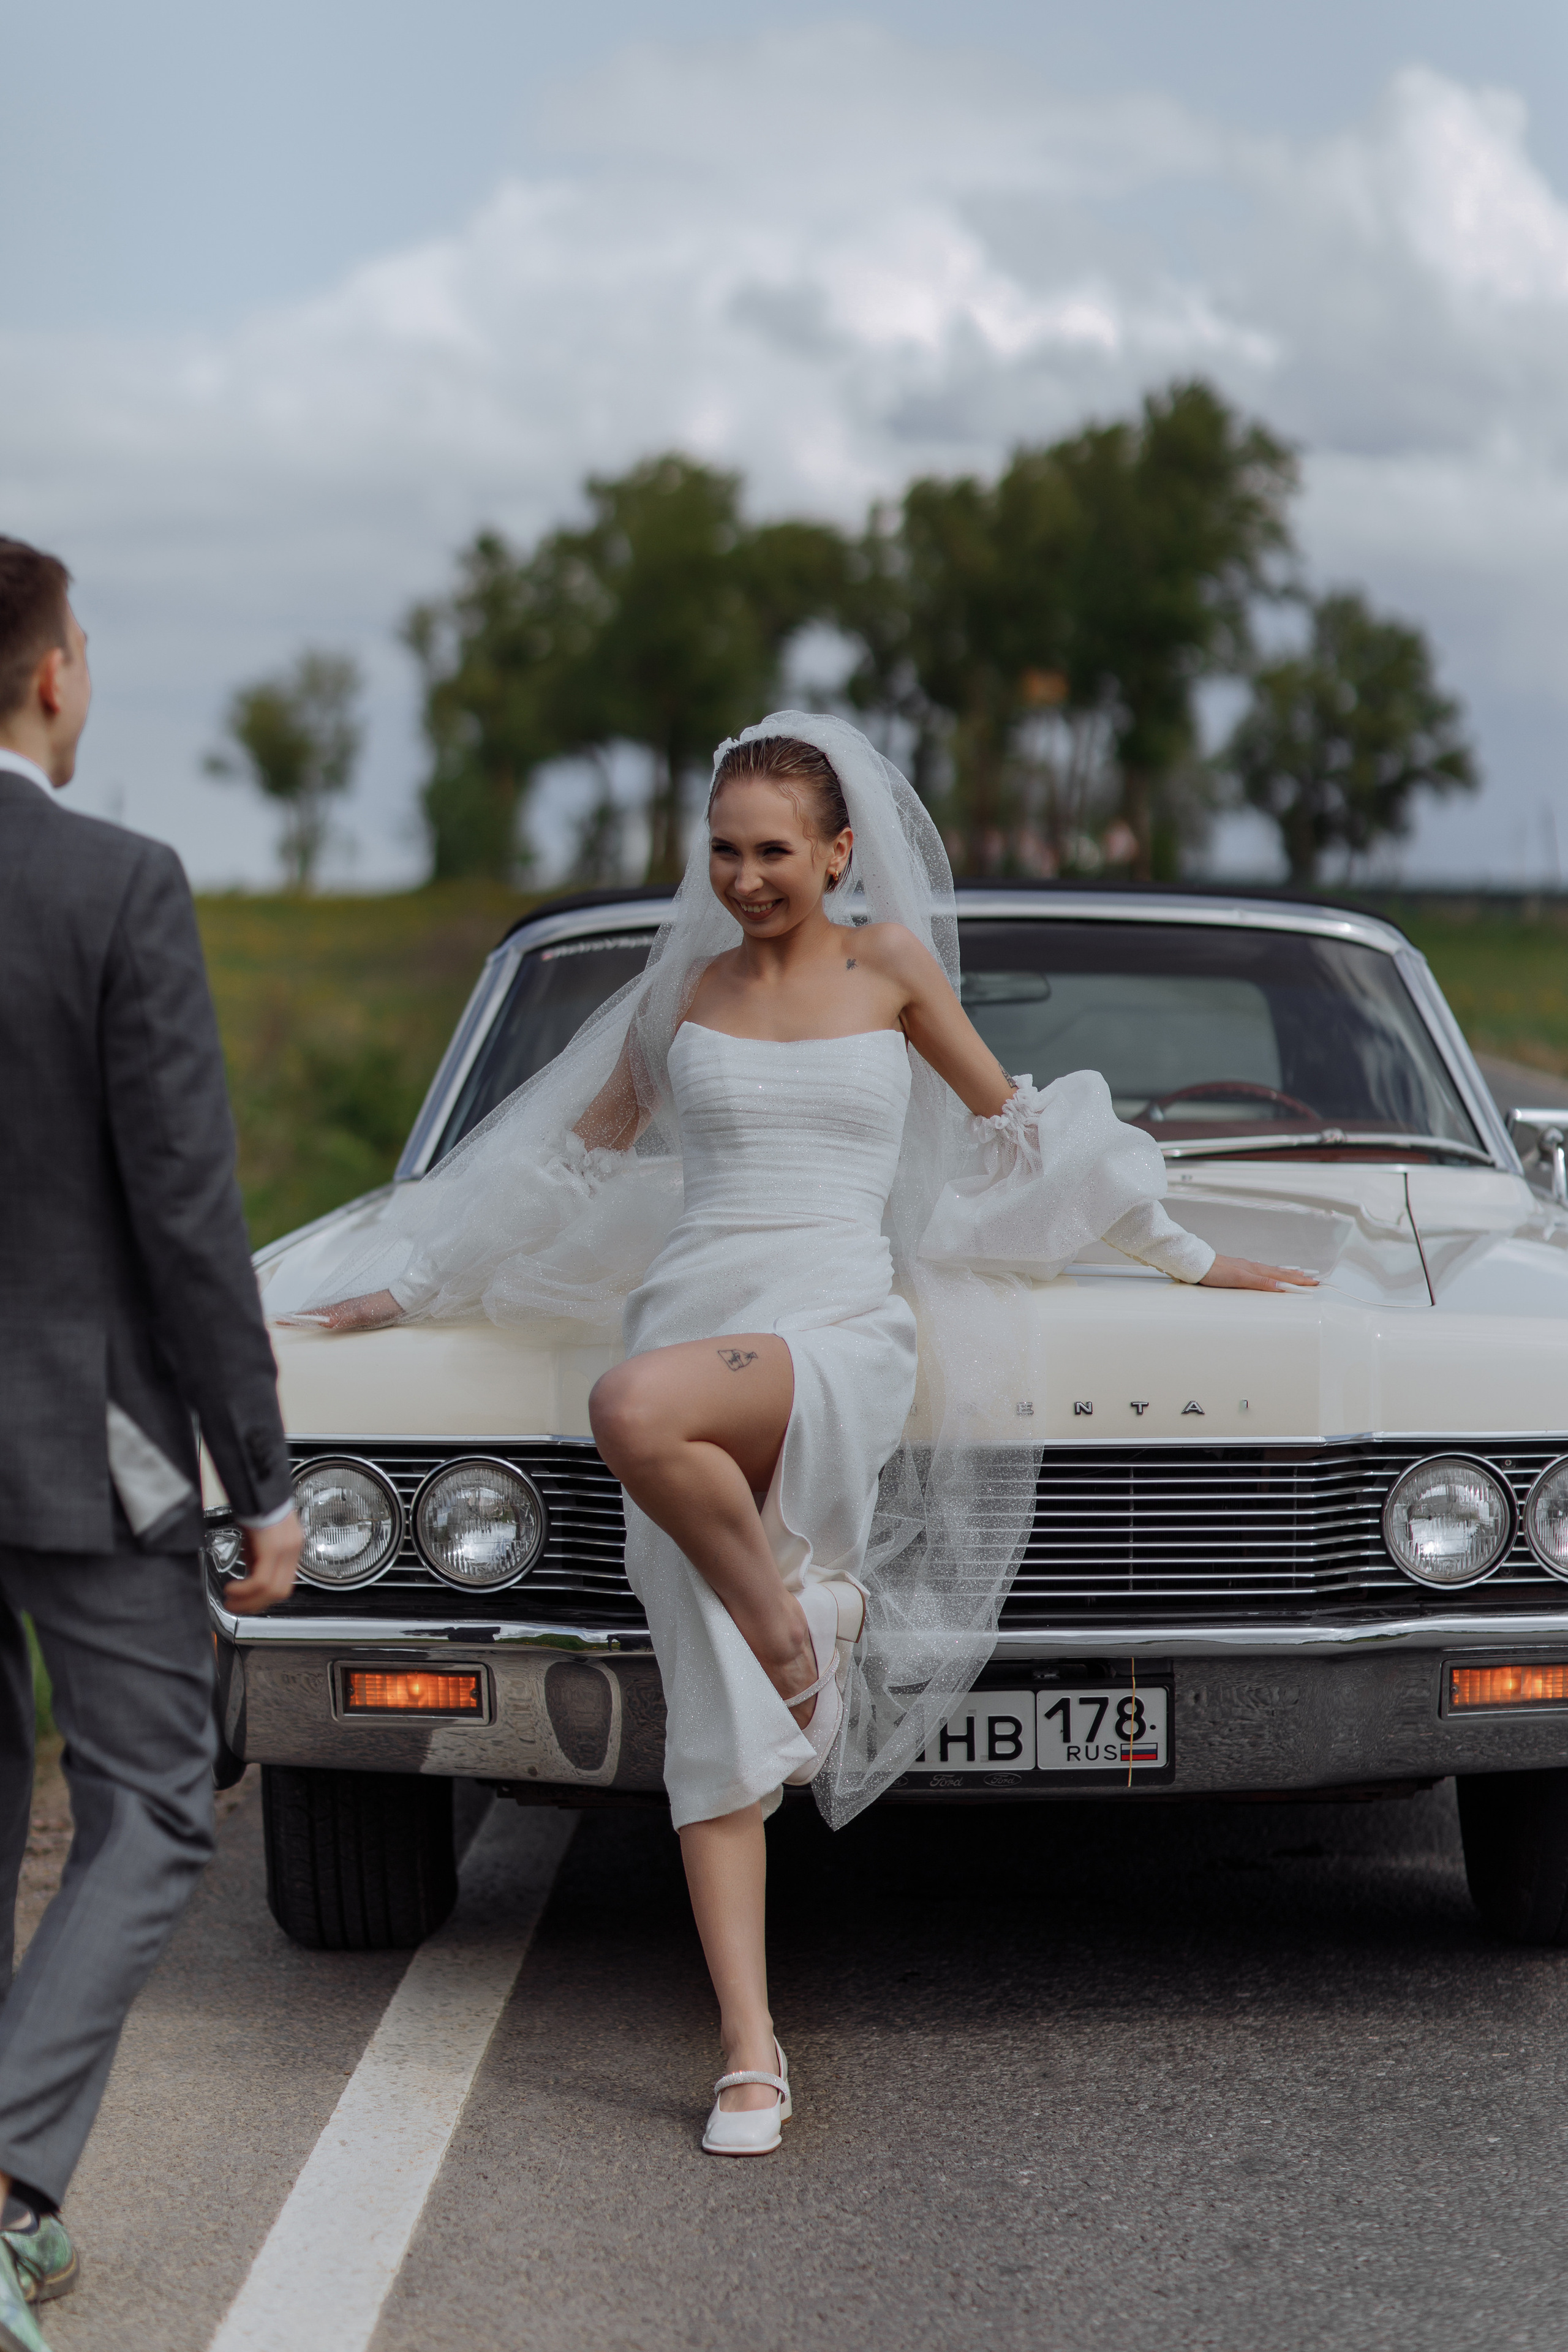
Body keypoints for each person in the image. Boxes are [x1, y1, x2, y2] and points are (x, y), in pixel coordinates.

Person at [294, 712, 1313, 2160]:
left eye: (775, 851)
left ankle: (792, 1626)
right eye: (723, 850)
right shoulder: (683, 997)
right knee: (711, 1729)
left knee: (629, 1409)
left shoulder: (889, 968)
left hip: (834, 1327)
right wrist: (409, 1285)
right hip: (693, 1308)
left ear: (840, 853)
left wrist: (1188, 1258)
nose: (746, 876)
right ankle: (749, 2052)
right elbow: (571, 1161)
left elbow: (1017, 1130)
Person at [0, 536, 303, 2348]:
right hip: (74, 1439)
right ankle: (11, 2182)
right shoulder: (115, 884)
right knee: (152, 1803)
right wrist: (259, 1477)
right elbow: (186, 1217)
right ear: (50, 677)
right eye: (90, 651)